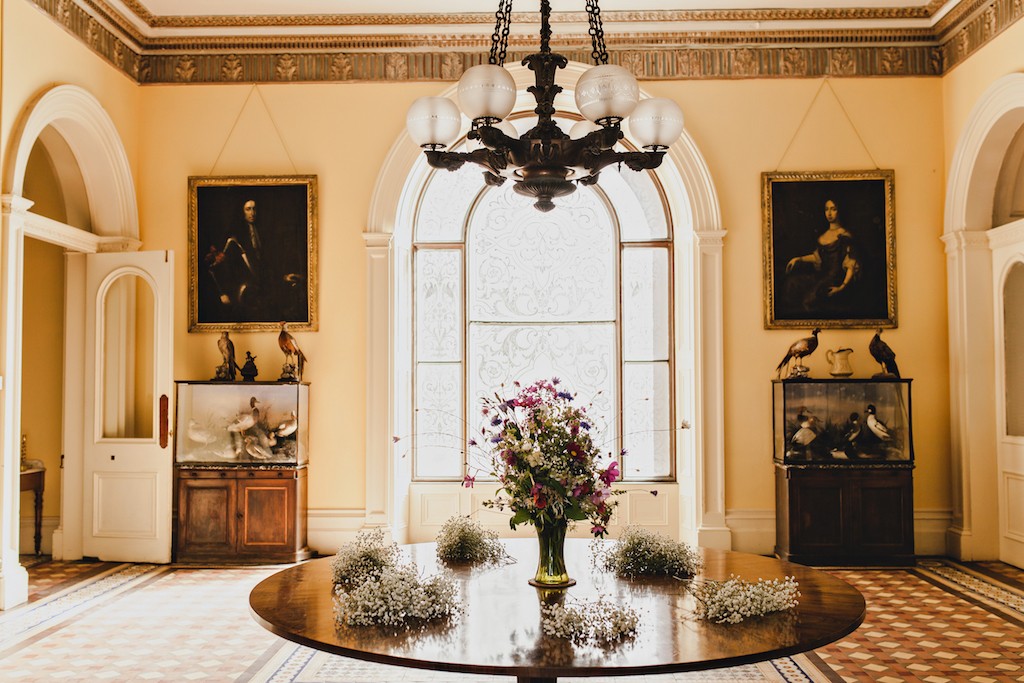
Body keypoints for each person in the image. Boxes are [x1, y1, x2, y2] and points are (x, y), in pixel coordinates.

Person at [204, 198, 305, 321]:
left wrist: (283, 276)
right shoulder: (234, 235)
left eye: (254, 209)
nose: (252, 213)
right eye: (248, 209)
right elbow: (228, 268)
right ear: (242, 212)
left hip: (262, 286)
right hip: (243, 290)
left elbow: (267, 262)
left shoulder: (262, 231)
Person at [782, 198, 861, 316]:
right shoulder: (823, 236)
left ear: (839, 211)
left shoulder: (845, 236)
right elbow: (818, 257)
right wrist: (798, 259)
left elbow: (851, 264)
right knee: (792, 283)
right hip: (821, 276)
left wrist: (842, 287)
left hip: (835, 279)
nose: (829, 213)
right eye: (826, 209)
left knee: (809, 300)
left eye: (833, 209)